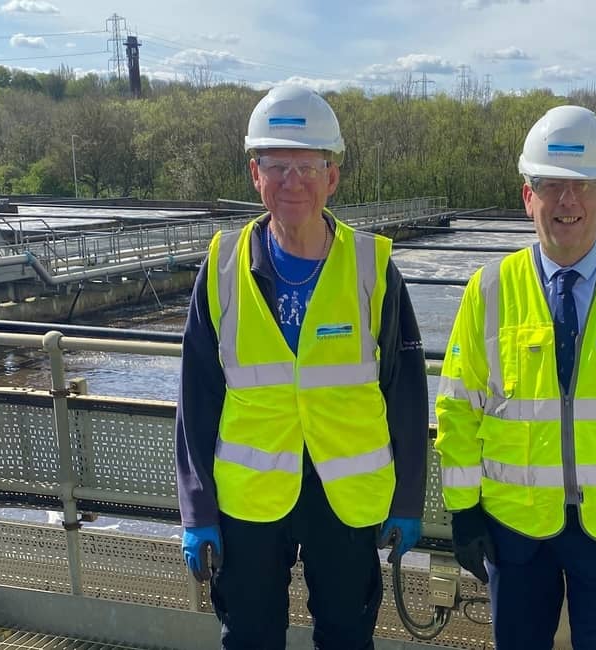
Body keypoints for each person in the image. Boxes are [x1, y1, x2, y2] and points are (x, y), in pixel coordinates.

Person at [175, 84, 429, 650]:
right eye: (278, 166)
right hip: (250, 498)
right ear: (254, 174)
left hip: (346, 495)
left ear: (332, 177)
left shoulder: (374, 268)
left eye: (308, 167)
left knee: (344, 635)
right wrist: (197, 508)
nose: (293, 182)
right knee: (249, 635)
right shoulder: (220, 268)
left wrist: (408, 499)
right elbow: (196, 397)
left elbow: (406, 394)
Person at [435, 105, 596, 649]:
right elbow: (458, 407)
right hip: (515, 527)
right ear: (527, 196)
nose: (567, 202)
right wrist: (462, 513)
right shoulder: (488, 289)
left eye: (582, 186)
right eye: (551, 186)